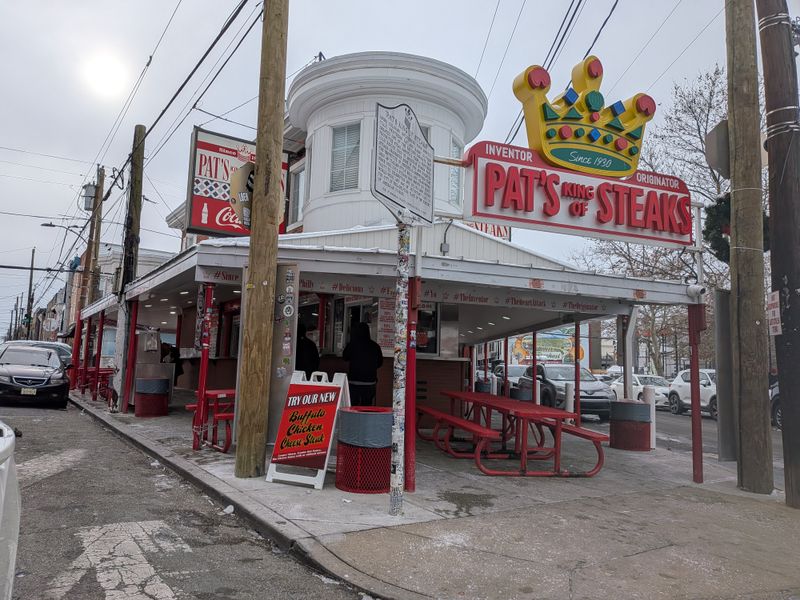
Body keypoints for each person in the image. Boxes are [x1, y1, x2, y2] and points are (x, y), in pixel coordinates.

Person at [342, 322, 384, 406]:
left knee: (353, 406)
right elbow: (380, 363)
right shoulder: (375, 346)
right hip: (370, 382)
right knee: (367, 406)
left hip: (354, 381)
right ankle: (365, 419)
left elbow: (345, 357)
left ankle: (354, 419)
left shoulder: (352, 344)